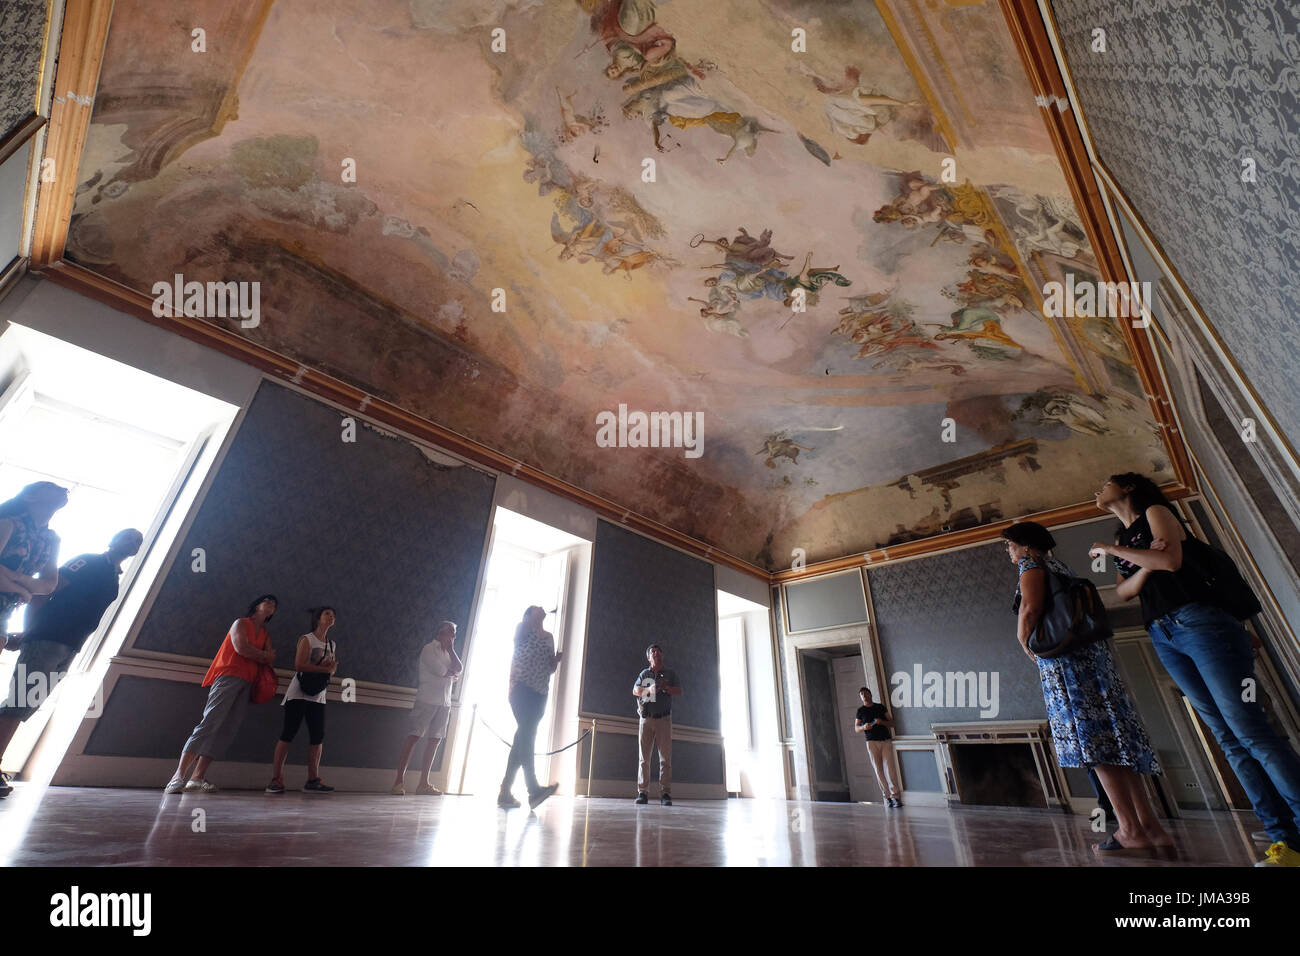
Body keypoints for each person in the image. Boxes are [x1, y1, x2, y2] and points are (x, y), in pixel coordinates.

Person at [1092, 472, 1300, 867]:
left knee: (1251, 732)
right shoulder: (1122, 541)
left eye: (1106, 483)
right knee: (1227, 738)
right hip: (1162, 632)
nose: (1098, 490)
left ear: (1129, 487)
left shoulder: (1155, 511)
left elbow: (1170, 559)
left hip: (1199, 621)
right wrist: (1146, 563)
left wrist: (1125, 554)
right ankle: (1285, 842)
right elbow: (1123, 591)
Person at [1003, 520, 1172, 853]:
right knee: (1117, 743)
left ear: (1024, 545)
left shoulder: (1031, 563)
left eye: (1009, 545)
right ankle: (1149, 826)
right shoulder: (1060, 565)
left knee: (1097, 747)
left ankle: (1129, 830)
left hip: (1067, 668)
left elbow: (1031, 606)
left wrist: (1024, 641)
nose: (1009, 552)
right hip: (1093, 661)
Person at [0, 527, 142, 797]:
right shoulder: (87, 561)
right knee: (18, 703)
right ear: (112, 538)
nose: (133, 541)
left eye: (138, 540)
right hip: (48, 637)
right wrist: (30, 630)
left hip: (69, 646)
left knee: (26, 704)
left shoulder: (114, 577)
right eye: (127, 535)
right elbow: (46, 592)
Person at [165, 595, 277, 793]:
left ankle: (197, 778)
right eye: (267, 600)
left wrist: (259, 655)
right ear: (256, 604)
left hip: (248, 682)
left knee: (228, 728)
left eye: (274, 604)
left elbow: (270, 659)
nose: (271, 604)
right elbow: (241, 648)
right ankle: (177, 776)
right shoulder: (241, 623)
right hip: (229, 675)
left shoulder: (266, 634)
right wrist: (261, 655)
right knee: (210, 722)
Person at [266, 606, 338, 794]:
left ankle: (313, 779)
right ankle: (276, 779)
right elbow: (299, 665)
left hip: (318, 695)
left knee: (317, 736)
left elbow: (332, 669)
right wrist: (324, 668)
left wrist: (330, 667)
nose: (331, 617)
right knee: (288, 733)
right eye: (327, 614)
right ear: (318, 618)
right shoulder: (307, 639)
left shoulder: (332, 644)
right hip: (299, 693)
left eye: (332, 615)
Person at [499, 605, 561, 810]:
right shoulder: (522, 628)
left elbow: (550, 668)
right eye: (537, 608)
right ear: (529, 614)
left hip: (540, 692)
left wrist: (556, 661)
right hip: (521, 688)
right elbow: (518, 641)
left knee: (522, 738)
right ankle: (533, 789)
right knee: (527, 736)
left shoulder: (549, 636)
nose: (542, 609)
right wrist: (532, 617)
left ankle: (505, 792)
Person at [391, 620, 462, 796]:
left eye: (454, 633)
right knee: (414, 736)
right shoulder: (429, 649)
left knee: (435, 740)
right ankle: (398, 782)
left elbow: (458, 669)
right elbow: (441, 671)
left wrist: (452, 651)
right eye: (451, 632)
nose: (453, 636)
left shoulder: (448, 653)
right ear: (441, 632)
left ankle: (424, 783)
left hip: (444, 702)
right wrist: (451, 673)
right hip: (427, 700)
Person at [0, 482, 68, 638]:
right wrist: (22, 590)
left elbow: (49, 585)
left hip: (5, 610)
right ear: (29, 497)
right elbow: (42, 584)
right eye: (51, 487)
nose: (64, 490)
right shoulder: (8, 524)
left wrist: (13, 577)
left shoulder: (51, 539)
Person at [633, 643, 681, 806]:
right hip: (646, 718)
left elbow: (678, 691)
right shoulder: (644, 673)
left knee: (665, 759)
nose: (655, 653)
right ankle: (642, 793)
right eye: (652, 652)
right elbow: (635, 690)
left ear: (662, 655)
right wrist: (650, 690)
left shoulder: (670, 673)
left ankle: (665, 794)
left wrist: (665, 687)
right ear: (648, 657)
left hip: (664, 720)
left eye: (658, 651)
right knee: (644, 759)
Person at [854, 686, 901, 807]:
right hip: (871, 742)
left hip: (885, 740)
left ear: (870, 694)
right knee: (878, 770)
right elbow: (856, 728)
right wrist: (864, 727)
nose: (864, 696)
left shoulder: (880, 707)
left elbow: (892, 723)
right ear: (860, 698)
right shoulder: (860, 711)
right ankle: (887, 797)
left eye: (865, 693)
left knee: (890, 769)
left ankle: (895, 796)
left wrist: (881, 722)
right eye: (861, 695)